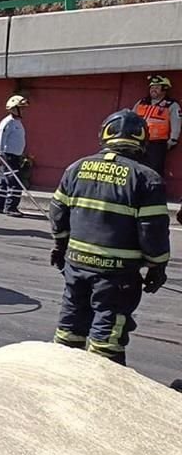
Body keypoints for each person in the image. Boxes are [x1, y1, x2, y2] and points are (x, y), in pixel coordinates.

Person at [49, 110, 170, 365]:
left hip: (76, 265)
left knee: (69, 326)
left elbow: (58, 212)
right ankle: (101, 389)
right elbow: (153, 231)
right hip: (117, 275)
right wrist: (157, 265)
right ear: (141, 140)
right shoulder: (147, 179)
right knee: (107, 336)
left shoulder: (76, 168)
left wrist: (60, 245)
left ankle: (60, 379)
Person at [131, 75, 180, 176]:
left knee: (154, 172)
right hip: (139, 142)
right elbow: (131, 118)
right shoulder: (142, 102)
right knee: (135, 170)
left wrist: (173, 140)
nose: (153, 90)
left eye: (157, 88)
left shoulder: (171, 105)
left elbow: (176, 122)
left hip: (157, 145)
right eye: (152, 88)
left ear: (164, 89)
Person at [0, 95, 29, 217]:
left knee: (4, 181)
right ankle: (11, 207)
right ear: (13, 109)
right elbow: (0, 138)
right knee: (14, 182)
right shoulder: (8, 122)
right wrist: (0, 154)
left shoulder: (17, 122)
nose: (23, 111)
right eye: (21, 108)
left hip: (15, 156)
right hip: (8, 156)